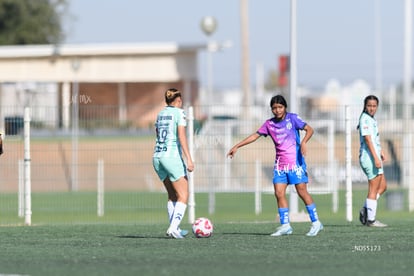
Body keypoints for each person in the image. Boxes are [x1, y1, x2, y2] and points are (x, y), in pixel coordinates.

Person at [227, 95, 323, 236]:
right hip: (280, 165)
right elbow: (255, 136)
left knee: (302, 192)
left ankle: (316, 223)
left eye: (280, 107)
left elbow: (310, 130)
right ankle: (285, 226)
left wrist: (303, 142)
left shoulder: (293, 118)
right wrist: (237, 146)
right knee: (278, 193)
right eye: (274, 108)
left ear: (285, 107)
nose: (277, 110)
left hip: (295, 164)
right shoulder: (269, 124)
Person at [152, 88, 194, 239]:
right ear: (178, 100)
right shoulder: (179, 113)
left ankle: (174, 227)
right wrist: (189, 158)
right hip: (171, 157)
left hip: (157, 156)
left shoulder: (160, 113)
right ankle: (173, 227)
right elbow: (182, 137)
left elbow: (158, 134)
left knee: (172, 195)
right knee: (184, 195)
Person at [358, 95, 387, 227]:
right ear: (365, 106)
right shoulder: (364, 119)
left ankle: (366, 209)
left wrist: (380, 152)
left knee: (383, 186)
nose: (372, 108)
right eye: (369, 106)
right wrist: (375, 157)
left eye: (374, 106)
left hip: (374, 156)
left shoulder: (371, 119)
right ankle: (371, 220)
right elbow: (368, 140)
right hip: (369, 158)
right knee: (373, 189)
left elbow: (374, 139)